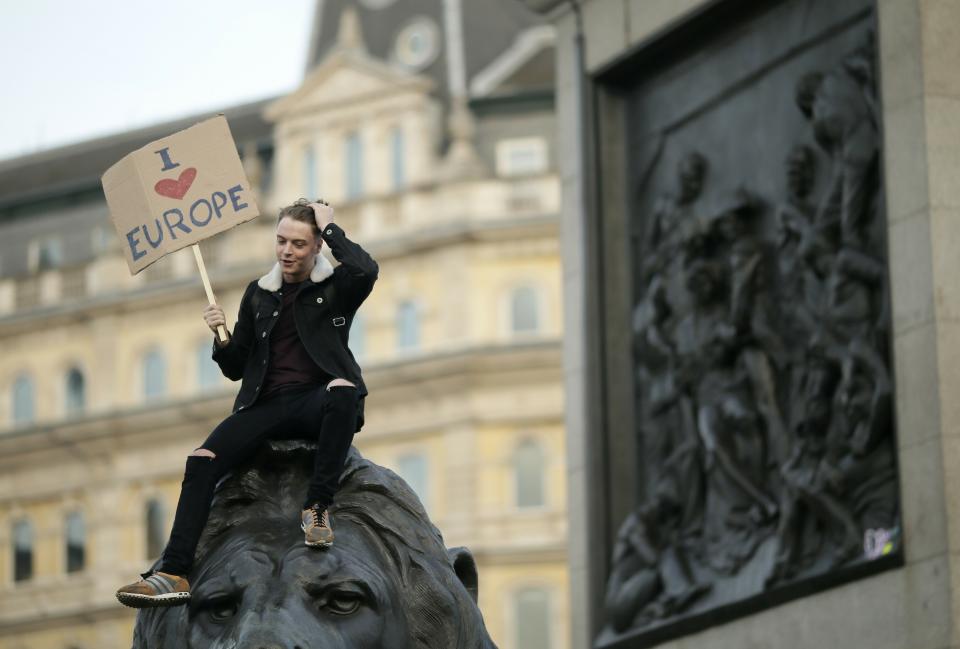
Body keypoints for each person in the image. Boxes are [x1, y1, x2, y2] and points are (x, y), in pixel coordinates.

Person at [115, 198, 378, 608]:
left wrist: (330, 228)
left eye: (298, 244)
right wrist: (220, 337)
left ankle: (316, 508)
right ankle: (173, 571)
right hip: (265, 405)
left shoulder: (336, 288)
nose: (287, 251)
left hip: (317, 401)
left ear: (315, 248)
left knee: (343, 389)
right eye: (281, 241)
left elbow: (366, 270)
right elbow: (237, 368)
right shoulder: (259, 294)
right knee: (201, 458)